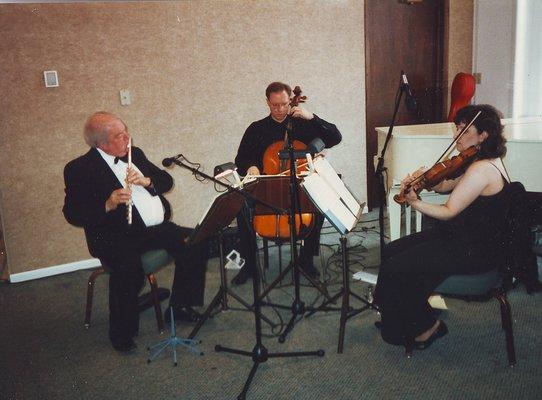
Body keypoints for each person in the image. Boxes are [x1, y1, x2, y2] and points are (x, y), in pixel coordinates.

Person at [63, 112, 207, 353]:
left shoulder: (135, 154)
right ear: (102, 143)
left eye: (126, 131)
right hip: (113, 237)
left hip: (152, 230)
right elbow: (73, 213)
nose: (128, 138)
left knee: (197, 241)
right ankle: (121, 332)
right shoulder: (79, 169)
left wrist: (147, 181)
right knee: (129, 269)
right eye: (120, 136)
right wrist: (106, 204)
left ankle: (180, 305)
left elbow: (166, 182)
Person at [374, 104, 511, 349]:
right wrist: (423, 181)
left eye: (464, 130)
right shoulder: (476, 158)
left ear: (483, 135)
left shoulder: (482, 169)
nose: (456, 135)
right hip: (463, 236)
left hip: (476, 249)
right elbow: (447, 185)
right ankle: (401, 313)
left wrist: (415, 202)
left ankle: (425, 327)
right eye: (457, 128)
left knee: (397, 267)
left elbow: (448, 212)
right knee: (392, 250)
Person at [232, 82, 342, 284]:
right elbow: (241, 159)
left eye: (284, 104)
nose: (280, 109)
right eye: (275, 105)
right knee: (241, 206)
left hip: (298, 187)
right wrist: (251, 167)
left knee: (318, 202)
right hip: (269, 188)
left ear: (291, 100)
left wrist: (312, 117)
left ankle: (306, 259)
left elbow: (335, 137)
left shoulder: (303, 124)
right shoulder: (256, 129)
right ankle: (249, 265)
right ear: (267, 103)